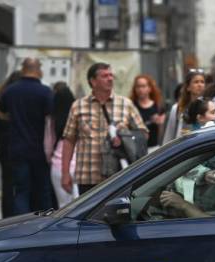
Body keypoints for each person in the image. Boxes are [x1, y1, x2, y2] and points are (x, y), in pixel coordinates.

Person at [62, 63, 148, 194]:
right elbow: (69, 140)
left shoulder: (125, 104)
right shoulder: (78, 106)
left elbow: (143, 134)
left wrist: (124, 136)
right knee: (87, 214)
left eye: (111, 75)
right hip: (87, 176)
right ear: (93, 81)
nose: (110, 78)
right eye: (104, 76)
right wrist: (65, 173)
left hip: (119, 176)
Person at [0, 58, 54, 214]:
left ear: (23, 69)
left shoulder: (10, 91)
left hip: (17, 149)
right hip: (39, 151)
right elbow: (51, 119)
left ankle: (21, 227)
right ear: (37, 69)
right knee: (43, 191)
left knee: (21, 191)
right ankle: (45, 227)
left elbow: (1, 111)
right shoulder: (45, 92)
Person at [0, 70, 22, 217]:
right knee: (22, 186)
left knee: (7, 186)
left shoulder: (1, 100)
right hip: (22, 148)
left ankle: (6, 217)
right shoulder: (21, 101)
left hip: (4, 148)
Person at [47, 83, 78, 208]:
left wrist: (49, 158)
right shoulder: (78, 117)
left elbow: (48, 143)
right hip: (80, 164)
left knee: (64, 206)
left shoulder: (53, 120)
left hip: (58, 164)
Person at [162, 70, 205, 144]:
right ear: (188, 87)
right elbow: (169, 136)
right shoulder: (177, 108)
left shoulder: (210, 106)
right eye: (196, 82)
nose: (200, 85)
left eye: (202, 82)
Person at [129, 74, 165, 148]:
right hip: (136, 148)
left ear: (149, 88)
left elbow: (163, 134)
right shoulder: (131, 107)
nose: (140, 89)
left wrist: (160, 124)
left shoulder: (158, 107)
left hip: (154, 147)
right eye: (138, 86)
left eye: (143, 86)